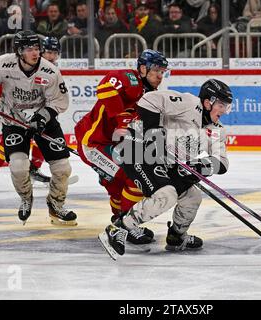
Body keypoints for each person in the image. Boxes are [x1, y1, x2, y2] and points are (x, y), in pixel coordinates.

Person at [99, 79, 232, 258]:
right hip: (138, 149)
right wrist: (154, 136)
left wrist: (200, 167)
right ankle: (118, 228)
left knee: (192, 197)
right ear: (208, 102)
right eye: (221, 105)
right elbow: (148, 100)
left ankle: (176, 237)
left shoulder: (217, 130)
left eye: (227, 106)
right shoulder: (189, 103)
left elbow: (222, 163)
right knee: (166, 195)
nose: (224, 111)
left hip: (167, 162)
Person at [0, 30, 77, 226]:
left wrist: (42, 118)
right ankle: (26, 198)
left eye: (37, 48)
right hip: (13, 121)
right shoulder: (4, 63)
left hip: (44, 121)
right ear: (19, 51)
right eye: (29, 49)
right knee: (18, 167)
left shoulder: (50, 71)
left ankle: (56, 203)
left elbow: (60, 101)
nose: (35, 53)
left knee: (62, 167)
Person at [74, 49, 168, 244]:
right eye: (157, 70)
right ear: (143, 68)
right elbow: (104, 88)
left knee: (118, 185)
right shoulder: (129, 78)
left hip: (110, 145)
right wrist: (122, 120)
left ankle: (119, 223)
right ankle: (127, 224)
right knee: (135, 177)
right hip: (93, 143)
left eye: (163, 71)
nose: (160, 76)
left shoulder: (151, 96)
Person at [0, 36, 63, 192]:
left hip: (37, 108)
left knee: (42, 134)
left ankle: (34, 169)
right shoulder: (22, 65)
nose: (51, 56)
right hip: (12, 106)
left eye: (55, 52)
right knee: (12, 139)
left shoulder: (50, 69)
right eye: (48, 52)